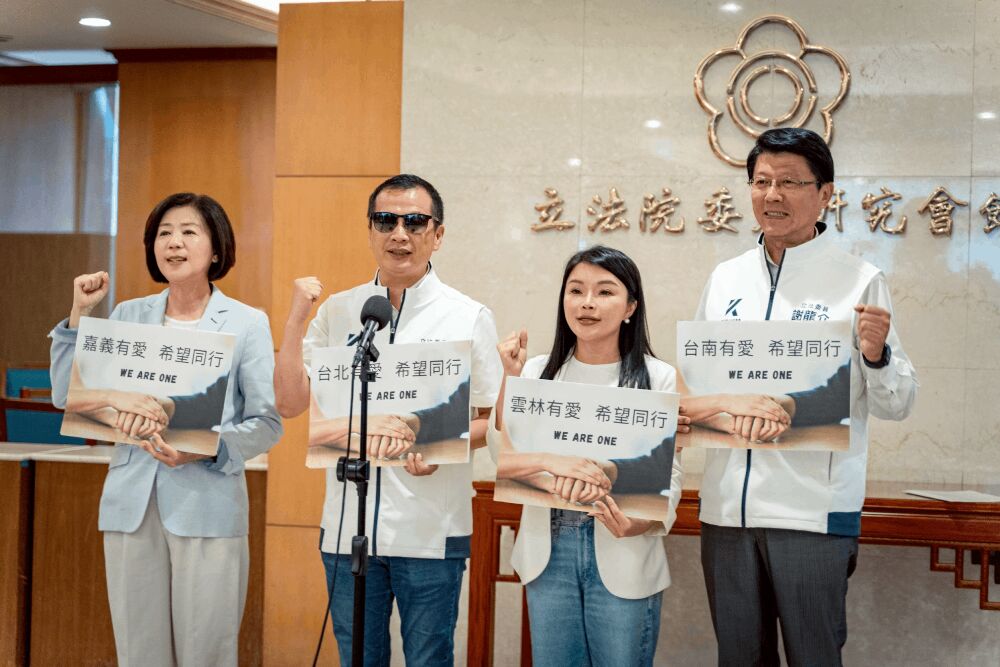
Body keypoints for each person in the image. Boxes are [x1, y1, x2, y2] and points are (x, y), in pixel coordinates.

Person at [693, 128, 917, 667]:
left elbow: (897, 403)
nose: (772, 195)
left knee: (814, 656)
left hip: (813, 514)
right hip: (727, 511)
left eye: (790, 182)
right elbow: (700, 384)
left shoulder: (859, 280)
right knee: (739, 658)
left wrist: (877, 355)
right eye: (761, 181)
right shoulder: (725, 279)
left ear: (825, 194)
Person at [273, 174, 502, 666]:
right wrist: (294, 321)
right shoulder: (339, 310)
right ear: (370, 230)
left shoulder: (468, 316)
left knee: (428, 658)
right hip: (346, 530)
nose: (400, 233)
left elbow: (495, 418)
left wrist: (442, 446)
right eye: (386, 220)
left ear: (437, 235)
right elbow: (290, 404)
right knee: (358, 658)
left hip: (432, 529)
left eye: (415, 222)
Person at [49, 192, 283, 667]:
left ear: (216, 249)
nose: (174, 243)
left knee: (206, 651)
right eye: (164, 233)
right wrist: (80, 314)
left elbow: (267, 423)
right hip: (131, 505)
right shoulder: (128, 314)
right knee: (139, 651)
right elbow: (65, 395)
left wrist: (209, 449)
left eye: (189, 232)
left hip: (207, 505)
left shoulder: (247, 323)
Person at [488, 245, 683, 667]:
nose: (587, 303)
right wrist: (510, 378)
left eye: (605, 292)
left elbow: (671, 471)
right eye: (576, 290)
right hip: (548, 549)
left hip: (622, 545)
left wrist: (643, 522)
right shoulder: (537, 370)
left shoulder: (658, 377)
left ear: (630, 307)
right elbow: (501, 453)